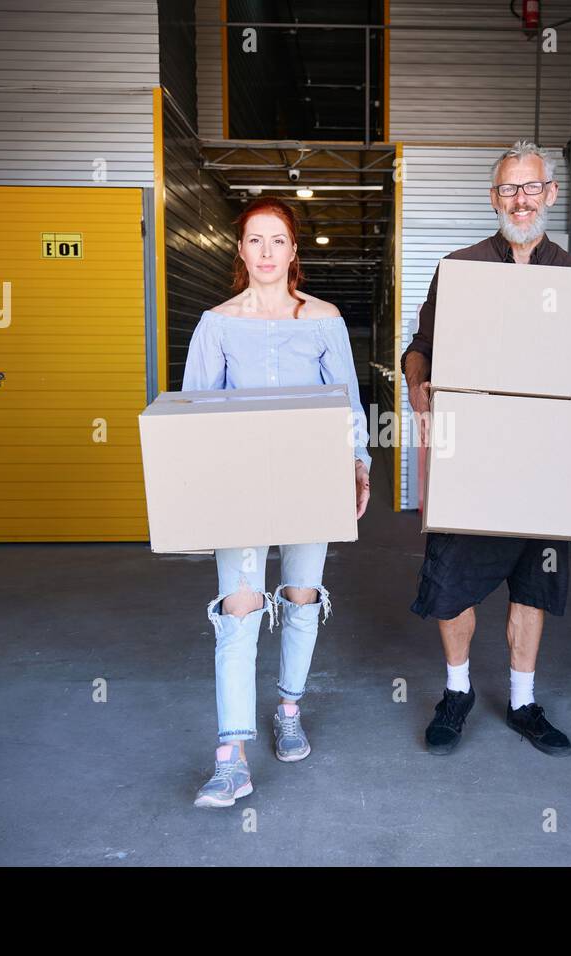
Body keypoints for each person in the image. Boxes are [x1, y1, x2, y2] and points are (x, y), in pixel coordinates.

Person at [400, 140, 571, 758]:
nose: (521, 199)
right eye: (510, 189)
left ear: (551, 195)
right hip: (472, 460)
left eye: (532, 187)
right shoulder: (460, 266)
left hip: (542, 464)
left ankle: (522, 701)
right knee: (452, 585)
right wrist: (416, 382)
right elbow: (420, 344)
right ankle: (456, 693)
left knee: (533, 587)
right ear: (494, 198)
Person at [181, 197, 371, 808]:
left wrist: (359, 464)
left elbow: (344, 401)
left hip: (309, 478)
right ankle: (230, 756)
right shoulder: (216, 323)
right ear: (240, 250)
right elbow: (194, 410)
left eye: (278, 241)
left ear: (294, 251)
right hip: (240, 483)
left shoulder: (324, 319)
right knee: (238, 608)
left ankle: (288, 707)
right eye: (254, 241)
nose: (266, 252)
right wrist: (198, 487)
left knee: (300, 595)